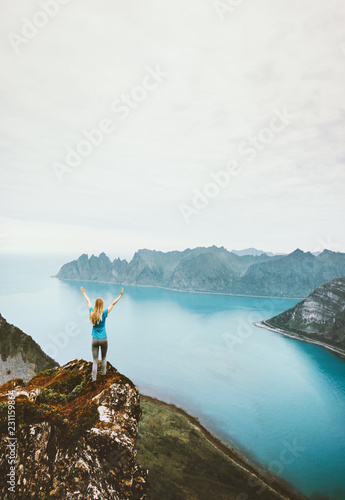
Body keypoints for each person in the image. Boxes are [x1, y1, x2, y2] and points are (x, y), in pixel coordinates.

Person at [80, 286, 124, 381]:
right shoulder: (104, 313)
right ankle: (103, 376)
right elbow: (113, 303)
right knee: (104, 358)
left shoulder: (92, 313)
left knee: (95, 361)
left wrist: (83, 292)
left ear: (96, 305)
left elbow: (88, 302)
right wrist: (120, 296)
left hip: (94, 339)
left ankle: (94, 379)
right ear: (102, 305)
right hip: (104, 338)